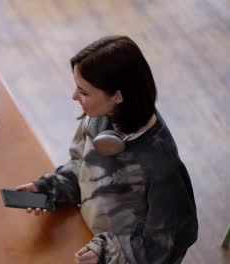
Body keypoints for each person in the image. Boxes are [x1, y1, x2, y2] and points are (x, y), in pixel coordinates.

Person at [17, 36, 198, 264]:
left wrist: (108, 251)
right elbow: (81, 167)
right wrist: (50, 187)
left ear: (118, 96)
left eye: (84, 92)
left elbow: (164, 244)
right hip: (91, 238)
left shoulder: (160, 165)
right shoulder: (99, 118)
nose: (74, 96)